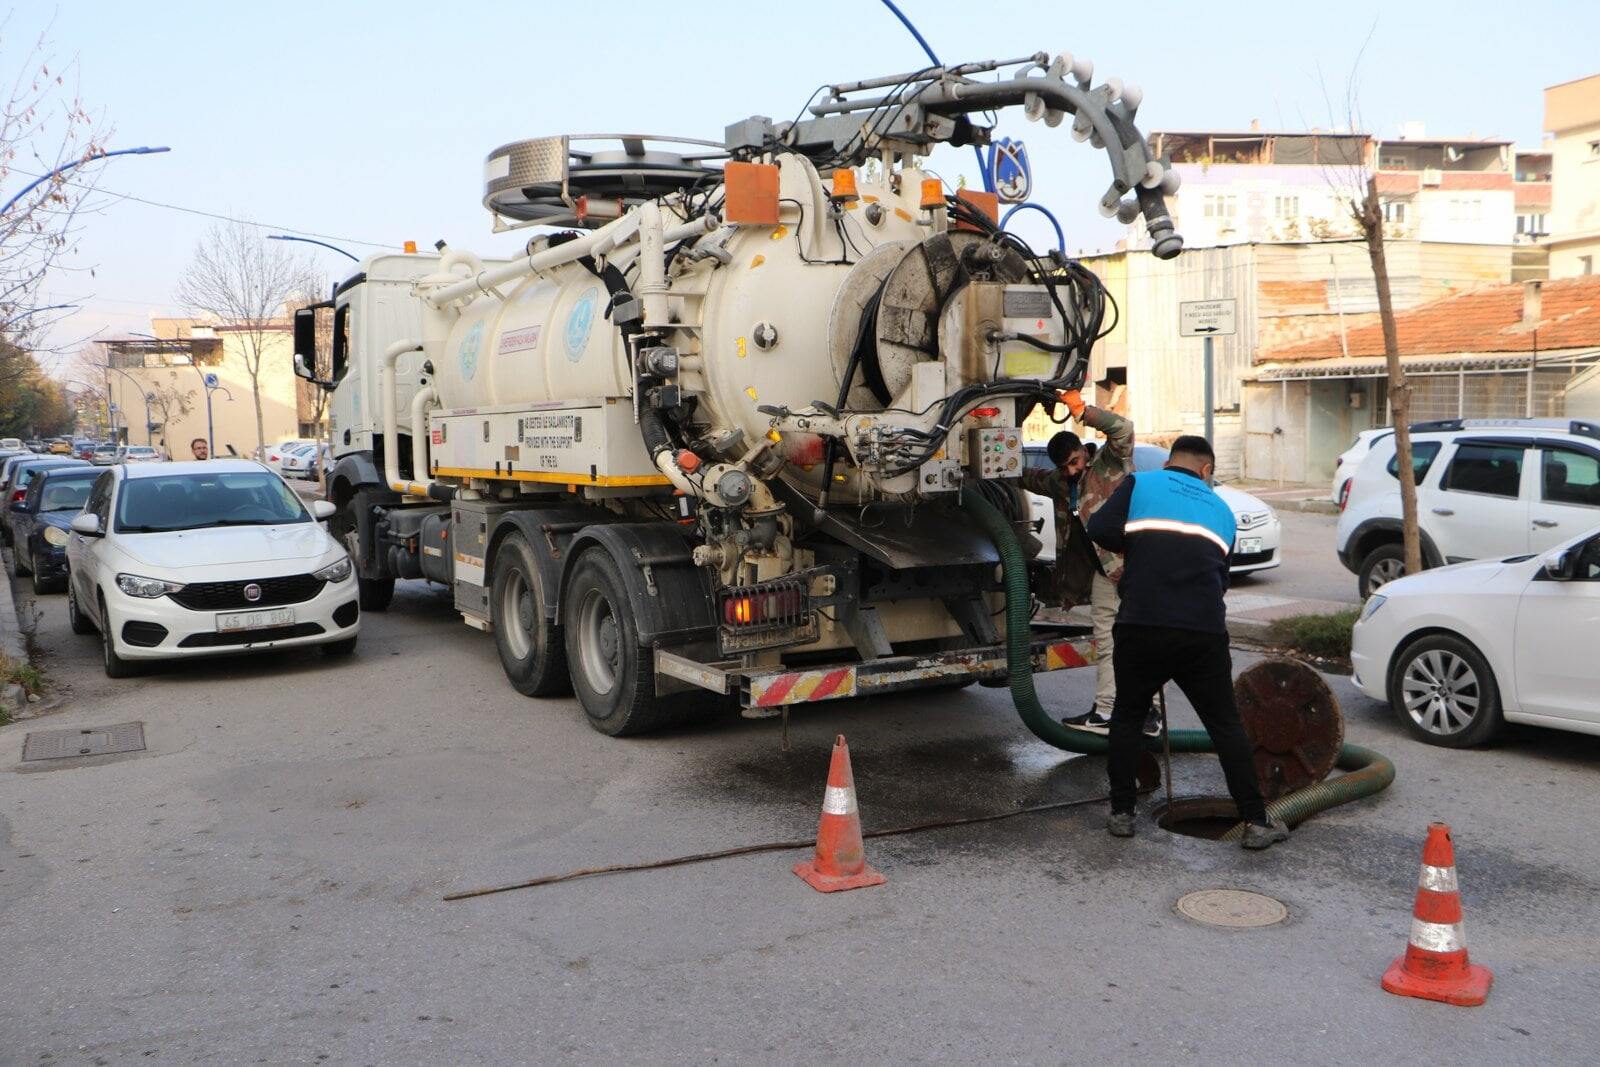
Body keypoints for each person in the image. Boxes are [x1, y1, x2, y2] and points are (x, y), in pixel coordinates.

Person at [1085, 435, 1289, 850]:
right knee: (1225, 726)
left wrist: (1140, 550)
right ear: (1206, 470)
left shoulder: (1141, 485)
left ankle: (1122, 814)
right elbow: (1219, 571)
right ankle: (1255, 822)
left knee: (1126, 716)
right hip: (1202, 632)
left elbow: (1099, 529)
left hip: (1141, 624)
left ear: (1171, 461)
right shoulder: (1222, 510)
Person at [1019, 388, 1153, 736]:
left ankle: (1149, 712)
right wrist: (986, 464)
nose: (1071, 471)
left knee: (1141, 640)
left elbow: (1123, 427)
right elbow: (1028, 477)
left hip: (1134, 565)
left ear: (1083, 451)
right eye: (1064, 467)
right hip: (1103, 573)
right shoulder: (1062, 482)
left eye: (1074, 462)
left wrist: (1084, 412)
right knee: (1108, 641)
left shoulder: (1112, 462)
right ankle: (1107, 711)